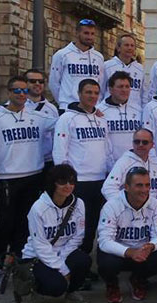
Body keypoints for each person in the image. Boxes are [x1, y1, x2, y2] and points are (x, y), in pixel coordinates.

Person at [0, 76, 56, 291]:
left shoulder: (37, 116)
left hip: (34, 176)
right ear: (9, 92)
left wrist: (92, 111)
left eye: (25, 91)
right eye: (17, 91)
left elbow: (62, 122)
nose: (22, 94)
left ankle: (17, 261)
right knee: (5, 224)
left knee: (26, 224)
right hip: (8, 178)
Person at [54, 79, 112, 256]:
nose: (92, 96)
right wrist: (64, 182)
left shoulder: (101, 119)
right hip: (78, 181)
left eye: (96, 93)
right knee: (75, 225)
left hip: (99, 180)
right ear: (79, 94)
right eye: (88, 92)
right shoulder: (67, 118)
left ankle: (85, 259)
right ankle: (71, 261)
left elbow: (107, 148)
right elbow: (59, 152)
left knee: (93, 223)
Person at [20, 164, 90, 303]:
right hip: (38, 256)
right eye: (62, 182)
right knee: (56, 287)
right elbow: (40, 245)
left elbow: (78, 237)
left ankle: (71, 293)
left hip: (64, 252)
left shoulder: (79, 204)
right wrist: (62, 269)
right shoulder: (38, 208)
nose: (68, 186)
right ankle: (37, 291)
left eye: (71, 182)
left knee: (83, 261)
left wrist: (62, 261)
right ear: (53, 183)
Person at [97, 167, 157, 302]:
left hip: (142, 252)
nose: (145, 190)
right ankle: (112, 284)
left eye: (147, 185)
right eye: (139, 185)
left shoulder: (155, 204)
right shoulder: (111, 206)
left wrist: (151, 246)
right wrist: (129, 252)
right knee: (106, 262)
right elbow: (104, 241)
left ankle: (138, 279)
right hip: (119, 253)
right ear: (127, 187)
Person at [102, 129, 157, 209]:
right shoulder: (124, 162)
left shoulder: (155, 164)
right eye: (137, 142)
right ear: (133, 143)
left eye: (145, 142)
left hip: (152, 211)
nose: (140, 145)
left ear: (152, 145)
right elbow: (108, 188)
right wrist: (124, 206)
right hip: (130, 211)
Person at [49, 19, 104, 109]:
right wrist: (63, 103)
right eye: (86, 33)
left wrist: (97, 104)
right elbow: (53, 83)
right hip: (68, 107)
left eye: (92, 34)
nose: (89, 37)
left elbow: (101, 83)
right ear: (77, 33)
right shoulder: (62, 55)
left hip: (92, 108)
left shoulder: (99, 57)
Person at [97, 71, 143, 160]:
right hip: (109, 165)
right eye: (120, 86)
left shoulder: (138, 110)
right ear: (110, 89)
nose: (124, 90)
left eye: (127, 86)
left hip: (134, 162)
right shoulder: (99, 111)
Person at [101, 33, 143, 109]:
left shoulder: (140, 69)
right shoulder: (107, 66)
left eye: (132, 45)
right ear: (118, 48)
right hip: (111, 110)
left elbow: (144, 94)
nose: (130, 48)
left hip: (134, 113)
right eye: (126, 45)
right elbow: (100, 91)